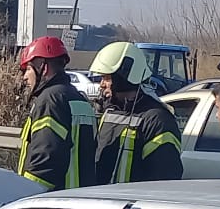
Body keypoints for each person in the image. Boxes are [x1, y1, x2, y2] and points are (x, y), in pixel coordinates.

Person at [89, 40, 184, 184]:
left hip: (134, 204)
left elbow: (164, 178)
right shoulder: (109, 111)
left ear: (124, 76)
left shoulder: (158, 120)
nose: (101, 84)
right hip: (104, 200)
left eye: (106, 78)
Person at [16, 36, 98, 191]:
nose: (24, 77)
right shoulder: (79, 99)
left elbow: (44, 160)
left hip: (53, 204)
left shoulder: (50, 100)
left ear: (43, 68)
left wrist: (25, 193)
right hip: (81, 201)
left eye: (27, 69)